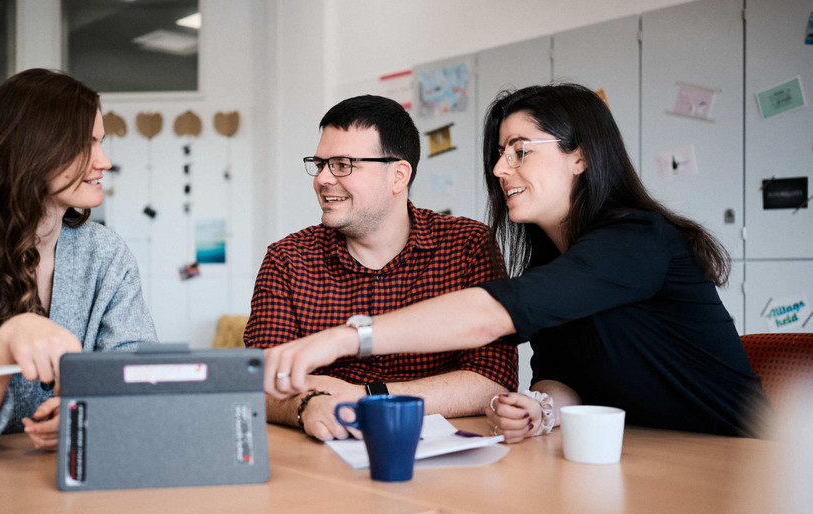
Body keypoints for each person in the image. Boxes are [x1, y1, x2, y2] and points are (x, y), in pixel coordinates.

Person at [262, 83, 769, 442]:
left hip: (744, 457)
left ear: (581, 156)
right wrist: (541, 408)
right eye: (501, 153)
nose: (501, 169)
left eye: (520, 151)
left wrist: (346, 339)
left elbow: (491, 316)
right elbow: (560, 377)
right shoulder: (551, 268)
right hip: (646, 457)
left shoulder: (638, 239)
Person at [0, 69, 158, 458]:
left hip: (62, 475)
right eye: (86, 144)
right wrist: (8, 340)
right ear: (37, 149)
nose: (103, 161)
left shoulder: (107, 253)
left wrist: (88, 411)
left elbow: (139, 377)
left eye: (101, 142)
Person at [244, 94, 517, 441]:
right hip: (320, 460)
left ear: (398, 175)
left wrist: (364, 396)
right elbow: (259, 380)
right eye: (320, 163)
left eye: (343, 164)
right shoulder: (287, 259)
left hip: (443, 465)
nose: (323, 179)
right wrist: (308, 405)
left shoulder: (467, 246)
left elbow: (492, 380)